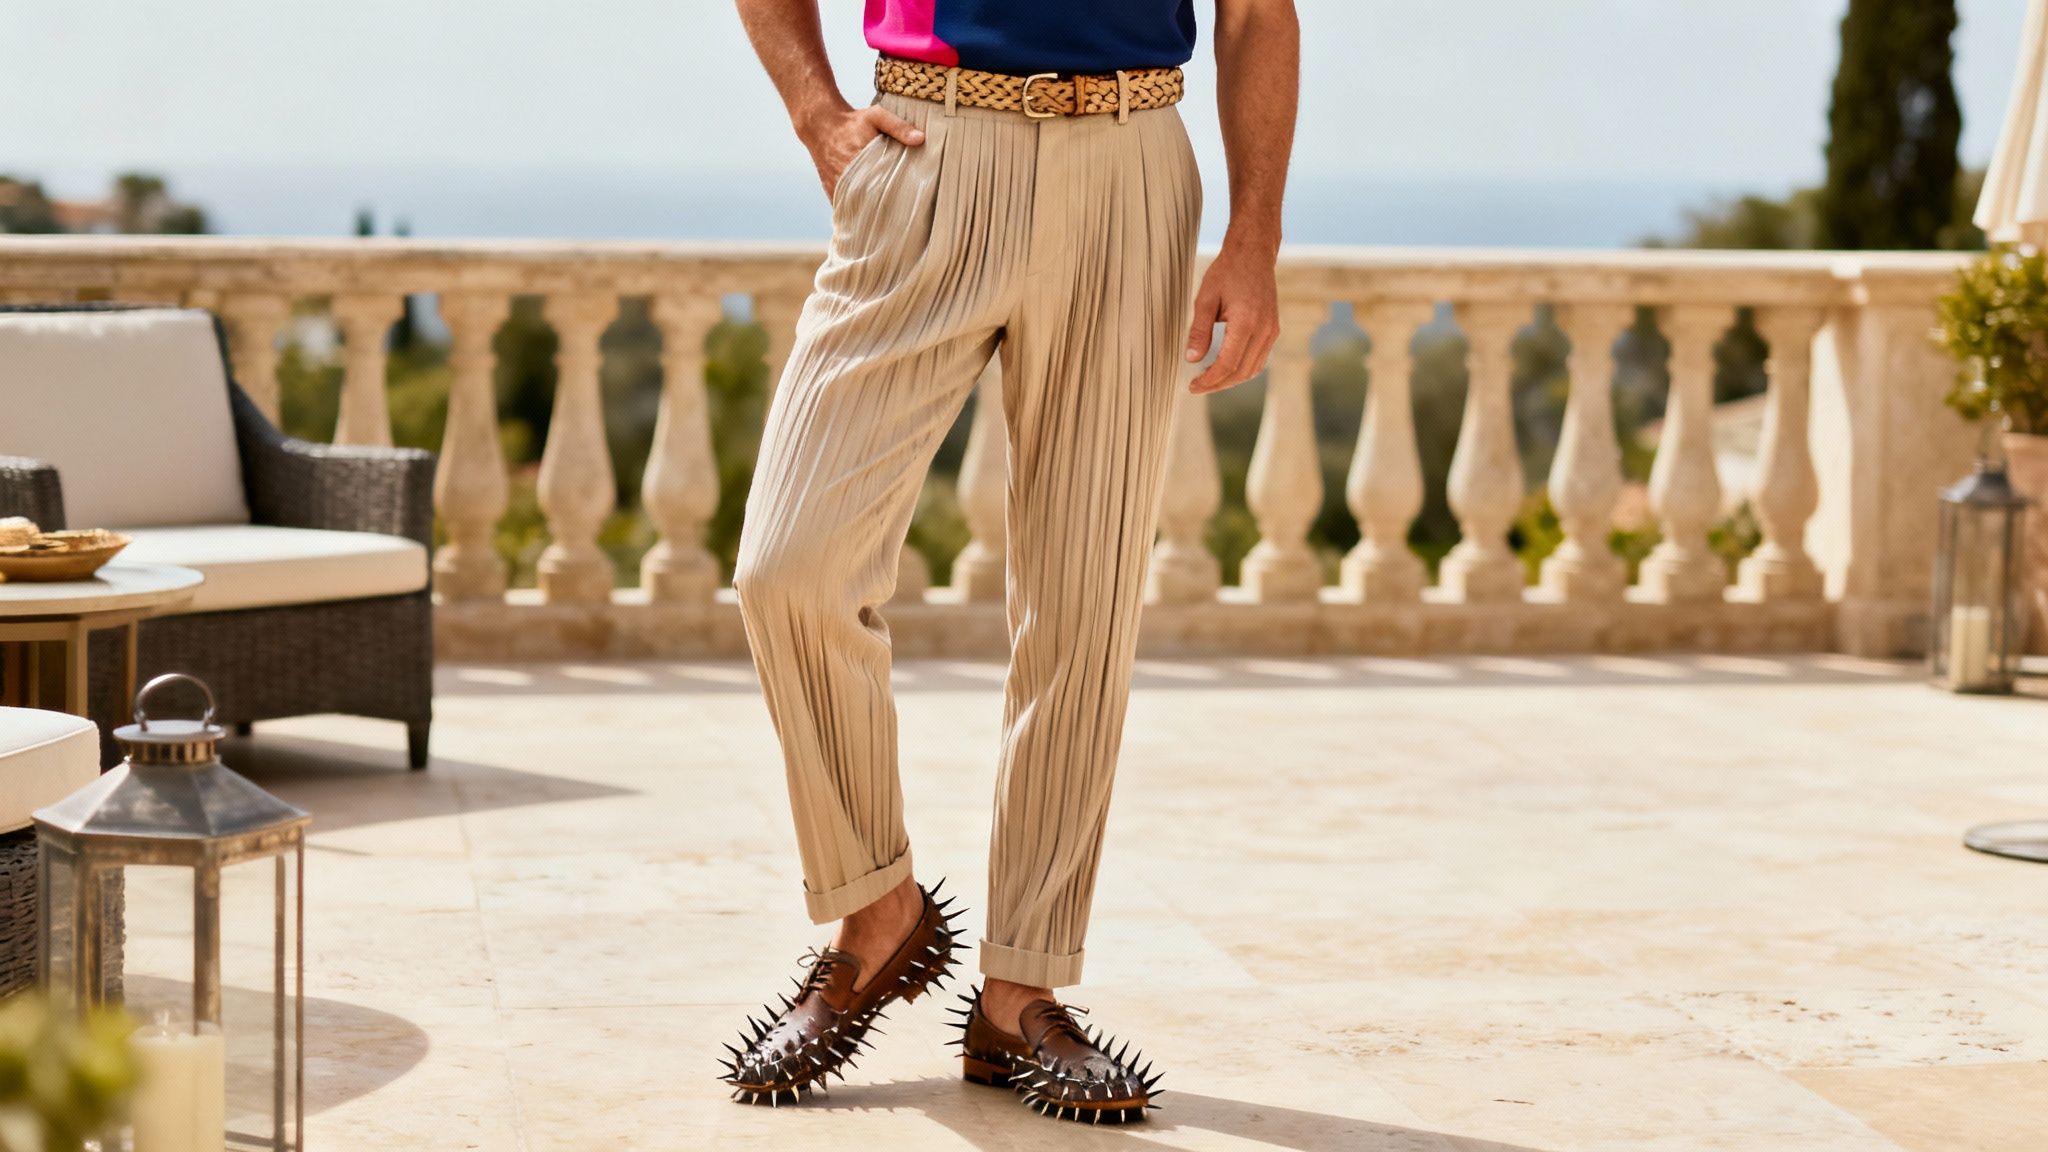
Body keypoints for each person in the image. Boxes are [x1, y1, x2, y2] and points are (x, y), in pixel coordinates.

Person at [720, 0, 1299, 1124]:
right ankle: (875, 905)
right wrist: (815, 114)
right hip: (928, 151)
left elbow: (1255, 14)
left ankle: (1019, 986)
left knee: (1081, 608)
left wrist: (1253, 240)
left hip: (1132, 165)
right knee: (786, 567)